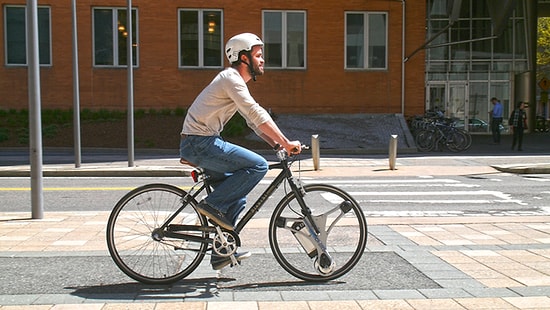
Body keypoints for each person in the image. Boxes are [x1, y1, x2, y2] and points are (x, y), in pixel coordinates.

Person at [179, 33, 302, 270]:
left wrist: (276, 145)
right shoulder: (230, 78)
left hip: (201, 141)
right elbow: (256, 113)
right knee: (257, 166)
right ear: (243, 57)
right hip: (200, 141)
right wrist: (286, 142)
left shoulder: (234, 83)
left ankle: (221, 250)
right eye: (258, 55)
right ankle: (211, 205)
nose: (263, 60)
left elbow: (252, 123)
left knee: (238, 197)